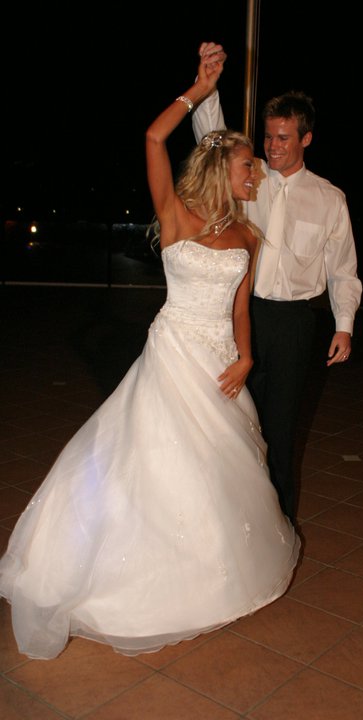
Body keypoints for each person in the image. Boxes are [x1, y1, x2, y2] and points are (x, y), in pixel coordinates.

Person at [0, 45, 300, 661]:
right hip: (172, 357)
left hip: (220, 363)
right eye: (250, 166)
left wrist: (245, 359)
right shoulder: (175, 215)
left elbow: (241, 307)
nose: (257, 175)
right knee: (154, 463)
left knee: (215, 475)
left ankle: (209, 572)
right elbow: (154, 136)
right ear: (224, 168)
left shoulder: (247, 233)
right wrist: (197, 88)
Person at [193, 43, 363, 524]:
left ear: (306, 139)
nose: (272, 147)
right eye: (268, 137)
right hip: (238, 316)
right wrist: (208, 88)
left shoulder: (330, 199)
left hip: (291, 324)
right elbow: (213, 141)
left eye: (284, 138)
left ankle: (278, 527)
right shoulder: (249, 179)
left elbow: (343, 267)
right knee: (231, 423)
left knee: (281, 430)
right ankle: (229, 521)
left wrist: (344, 325)